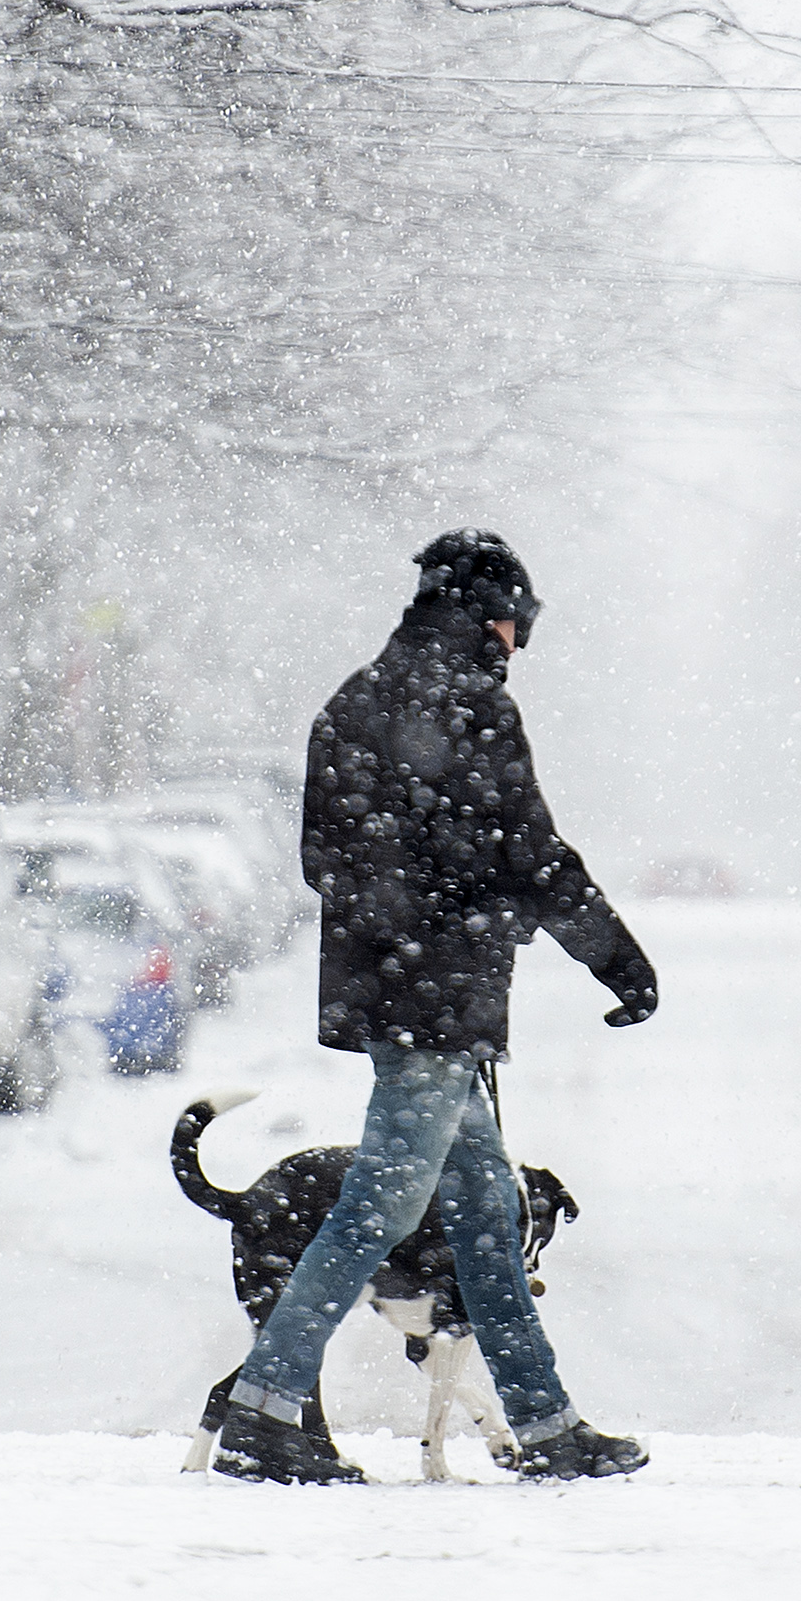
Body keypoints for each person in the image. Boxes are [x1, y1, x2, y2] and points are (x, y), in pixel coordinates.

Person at [212, 529, 660, 1485]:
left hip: (397, 991)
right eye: (515, 620)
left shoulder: (354, 701)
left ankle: (544, 1424)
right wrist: (616, 959)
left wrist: (403, 917)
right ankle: (263, 1406)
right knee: (381, 1205)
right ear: (482, 612)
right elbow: (531, 855)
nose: (517, 641)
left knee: (487, 1215)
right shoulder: (470, 708)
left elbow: (323, 861)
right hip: (441, 998)